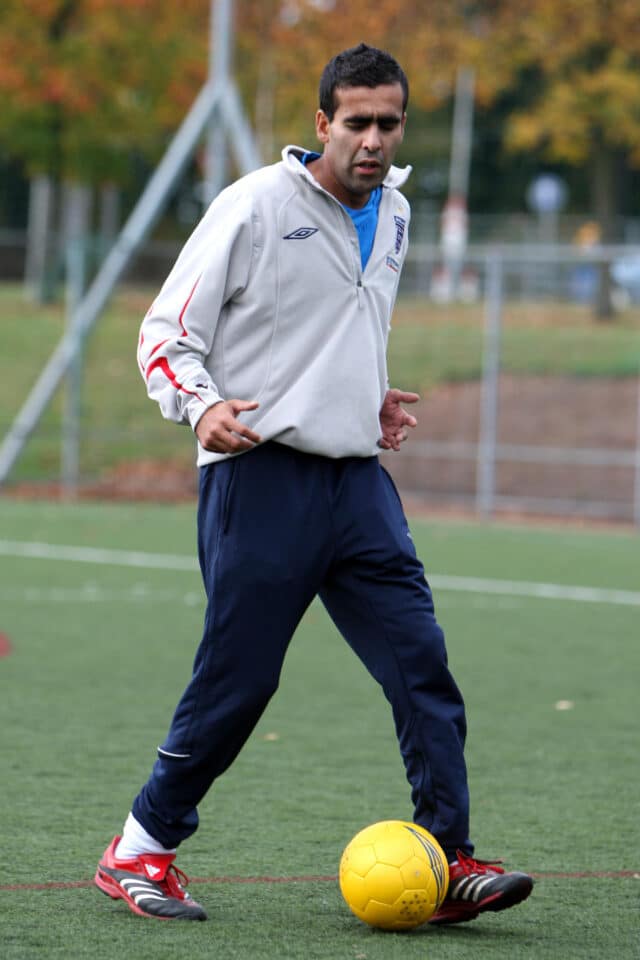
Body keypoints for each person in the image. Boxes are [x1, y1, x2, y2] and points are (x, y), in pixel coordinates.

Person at [95, 42, 533, 925]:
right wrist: (200, 408)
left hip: (358, 485)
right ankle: (140, 849)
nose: (372, 140)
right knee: (240, 681)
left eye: (389, 122)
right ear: (322, 123)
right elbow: (163, 332)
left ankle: (447, 856)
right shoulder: (254, 205)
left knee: (422, 662)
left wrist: (365, 398)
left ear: (403, 127)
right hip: (259, 480)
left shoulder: (399, 212)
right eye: (357, 122)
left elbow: (334, 332)